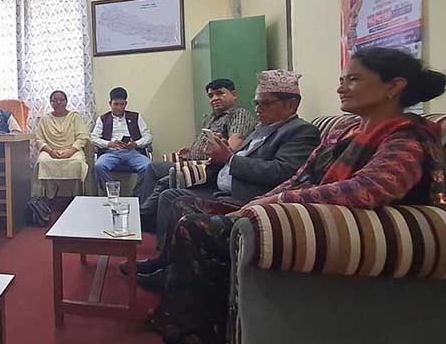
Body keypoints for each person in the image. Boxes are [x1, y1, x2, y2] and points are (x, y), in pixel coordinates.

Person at [153, 47, 446, 344]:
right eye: (342, 80)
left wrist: (275, 202)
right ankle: (183, 315)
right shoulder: (345, 130)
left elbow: (368, 190)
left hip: (331, 229)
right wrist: (259, 203)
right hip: (293, 212)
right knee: (188, 209)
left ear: (394, 86)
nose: (341, 88)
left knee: (195, 227)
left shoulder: (405, 138)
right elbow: (300, 177)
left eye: (353, 80)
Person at [125, 71, 320, 288]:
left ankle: (167, 268)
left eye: (266, 103)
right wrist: (221, 154)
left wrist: (229, 158)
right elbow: (239, 155)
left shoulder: (301, 132)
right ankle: (164, 260)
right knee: (169, 193)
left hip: (245, 197)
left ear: (291, 104)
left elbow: (282, 172)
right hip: (220, 184)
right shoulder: (261, 129)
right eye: (256, 103)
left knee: (174, 197)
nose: (258, 109)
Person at [134, 79, 256, 209]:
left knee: (154, 170)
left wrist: (213, 150)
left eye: (220, 93)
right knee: (153, 169)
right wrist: (191, 152)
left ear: (234, 94)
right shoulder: (212, 118)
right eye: (211, 96)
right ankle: (138, 207)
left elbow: (232, 149)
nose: (214, 98)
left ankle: (142, 213)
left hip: (210, 169)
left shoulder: (238, 114)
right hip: (193, 162)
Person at [91, 87, 153, 194]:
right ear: (110, 103)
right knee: (99, 166)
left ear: (126, 103)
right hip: (111, 153)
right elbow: (93, 138)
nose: (119, 107)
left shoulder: (136, 117)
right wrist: (109, 144)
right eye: (116, 104)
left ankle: (137, 197)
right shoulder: (103, 119)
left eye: (122, 104)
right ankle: (112, 195)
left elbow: (148, 136)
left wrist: (135, 144)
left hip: (132, 152)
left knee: (148, 166)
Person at [35, 90, 90, 195]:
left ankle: (75, 195)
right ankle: (48, 197)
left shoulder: (74, 116)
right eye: (54, 100)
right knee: (42, 161)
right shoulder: (45, 119)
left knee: (78, 162)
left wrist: (70, 151)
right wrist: (51, 151)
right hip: (51, 151)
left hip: (72, 150)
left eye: (61, 100)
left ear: (66, 101)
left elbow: (82, 137)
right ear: (50, 103)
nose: (58, 102)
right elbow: (39, 140)